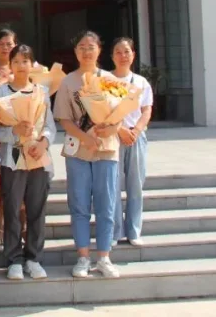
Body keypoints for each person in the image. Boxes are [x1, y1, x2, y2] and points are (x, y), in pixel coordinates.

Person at [53, 31, 121, 279]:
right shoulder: (68, 82)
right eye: (81, 47)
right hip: (78, 149)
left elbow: (120, 113)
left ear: (99, 50)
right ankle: (83, 256)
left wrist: (111, 128)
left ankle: (104, 256)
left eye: (91, 46)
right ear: (75, 52)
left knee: (106, 204)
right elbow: (64, 118)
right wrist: (85, 137)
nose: (86, 51)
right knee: (79, 204)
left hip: (106, 148)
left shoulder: (110, 79)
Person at [0, 45, 56, 281]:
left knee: (36, 209)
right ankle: (13, 259)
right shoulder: (2, 92)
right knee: (12, 208)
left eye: (25, 61)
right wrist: (14, 131)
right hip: (13, 157)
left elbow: (49, 126)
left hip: (38, 156)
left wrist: (44, 142)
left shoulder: (42, 91)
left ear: (32, 64)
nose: (21, 66)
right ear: (10, 65)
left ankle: (34, 258)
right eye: (16, 61)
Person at [111, 37, 154, 247]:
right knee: (113, 185)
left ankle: (134, 230)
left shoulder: (141, 82)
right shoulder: (106, 81)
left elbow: (146, 110)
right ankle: (115, 231)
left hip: (136, 137)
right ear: (112, 56)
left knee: (135, 185)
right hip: (113, 137)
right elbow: (102, 111)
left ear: (133, 55)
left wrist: (135, 130)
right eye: (118, 52)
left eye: (126, 51)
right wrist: (119, 129)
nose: (123, 56)